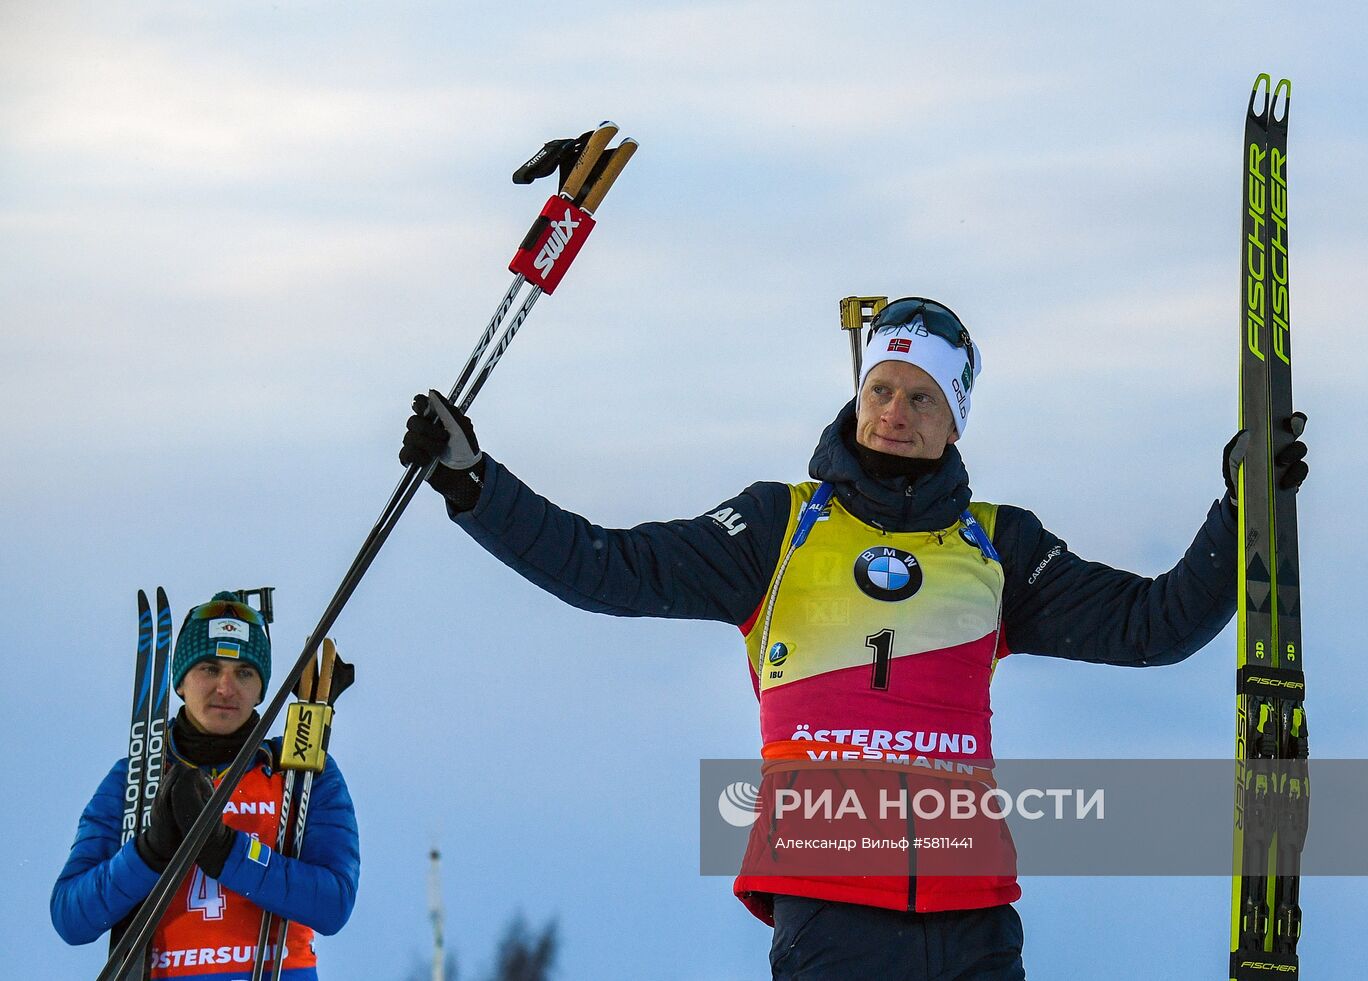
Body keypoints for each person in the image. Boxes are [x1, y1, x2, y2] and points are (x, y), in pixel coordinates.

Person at [398, 297, 1308, 980]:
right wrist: (476, 482)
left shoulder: (999, 546)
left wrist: (1244, 506)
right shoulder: (775, 530)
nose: (894, 410)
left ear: (956, 418)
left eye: (921, 395)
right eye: (879, 387)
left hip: (975, 919)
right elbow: (604, 567)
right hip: (832, 913)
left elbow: (1153, 625)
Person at [52, 592, 359, 980]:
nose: (226, 689)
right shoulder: (134, 776)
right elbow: (71, 917)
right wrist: (148, 852)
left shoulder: (300, 771)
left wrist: (226, 850)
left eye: (244, 673)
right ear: (180, 682)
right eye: (210, 669)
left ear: (262, 690)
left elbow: (333, 904)